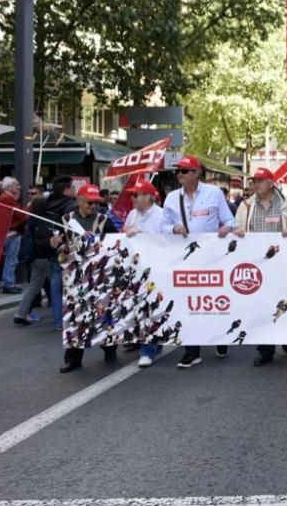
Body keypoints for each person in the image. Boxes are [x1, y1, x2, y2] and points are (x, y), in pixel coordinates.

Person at [161, 155, 235, 369]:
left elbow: (229, 219)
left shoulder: (214, 193)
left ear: (197, 172)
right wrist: (174, 229)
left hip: (211, 258)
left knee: (214, 301)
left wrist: (226, 227)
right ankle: (192, 352)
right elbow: (162, 226)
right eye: (178, 171)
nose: (180, 175)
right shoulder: (172, 198)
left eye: (184, 171)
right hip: (184, 259)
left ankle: (221, 338)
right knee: (188, 304)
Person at [232, 167, 287, 368]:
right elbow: (237, 226)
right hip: (259, 266)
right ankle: (265, 349)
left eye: (259, 181)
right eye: (253, 181)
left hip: (283, 265)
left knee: (284, 301)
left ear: (271, 183)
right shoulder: (246, 206)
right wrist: (237, 231)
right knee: (262, 305)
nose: (255, 184)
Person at [58, 184, 119, 373]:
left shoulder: (103, 220)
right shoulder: (66, 220)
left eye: (97, 203)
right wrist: (56, 243)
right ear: (79, 201)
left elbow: (116, 243)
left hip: (98, 276)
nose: (94, 206)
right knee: (74, 317)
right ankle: (73, 358)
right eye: (90, 203)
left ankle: (109, 347)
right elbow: (59, 242)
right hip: (74, 276)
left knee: (102, 313)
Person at [14, 175, 75, 329]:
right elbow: (44, 239)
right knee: (50, 285)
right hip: (46, 256)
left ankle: (51, 317)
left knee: (47, 285)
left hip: (39, 256)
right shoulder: (49, 218)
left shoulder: (35, 217)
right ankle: (24, 314)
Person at [123, 179, 168, 368]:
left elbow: (166, 241)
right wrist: (128, 232)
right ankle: (152, 344)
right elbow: (124, 235)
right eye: (133, 195)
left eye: (136, 195)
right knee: (143, 309)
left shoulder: (162, 215)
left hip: (156, 270)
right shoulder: (132, 215)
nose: (133, 198)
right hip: (137, 270)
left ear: (148, 197)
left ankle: (148, 350)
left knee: (150, 308)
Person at [0, 176, 26, 294]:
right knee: (11, 258)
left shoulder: (6, 197)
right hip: (11, 231)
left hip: (9, 230)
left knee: (10, 257)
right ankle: (9, 283)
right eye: (16, 185)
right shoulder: (7, 198)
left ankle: (8, 282)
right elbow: (19, 214)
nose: (19, 187)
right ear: (9, 187)